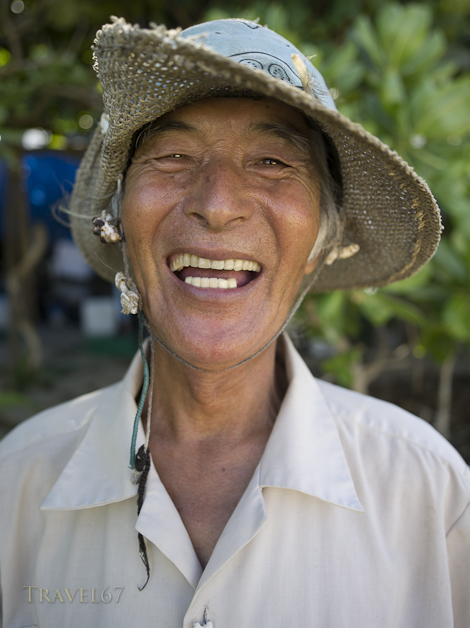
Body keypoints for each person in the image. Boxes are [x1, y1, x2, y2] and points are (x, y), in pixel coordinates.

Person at [0, 17, 469, 628]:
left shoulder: (429, 494)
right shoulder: (19, 483)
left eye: (273, 161)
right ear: (118, 218)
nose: (217, 204)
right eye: (172, 157)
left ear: (322, 241)